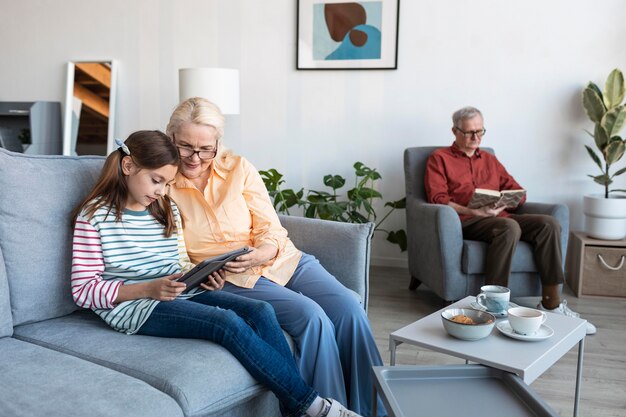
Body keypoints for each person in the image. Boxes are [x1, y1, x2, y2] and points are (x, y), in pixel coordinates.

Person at [70, 130, 361, 417]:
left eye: (167, 183)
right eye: (156, 181)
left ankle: (293, 409)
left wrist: (203, 276)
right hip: (138, 306)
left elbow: (179, 261)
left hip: (180, 291)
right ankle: (315, 407)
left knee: (261, 311)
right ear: (128, 166)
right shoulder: (94, 216)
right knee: (226, 323)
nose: (160, 190)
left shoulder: (164, 207)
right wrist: (148, 289)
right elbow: (83, 290)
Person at [165, 97, 386, 417]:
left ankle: (374, 410)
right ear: (170, 137)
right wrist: (199, 274)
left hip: (278, 256)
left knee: (349, 308)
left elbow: (270, 226)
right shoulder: (163, 183)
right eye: (185, 146)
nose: (195, 158)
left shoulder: (238, 168)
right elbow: (171, 252)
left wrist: (264, 251)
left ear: (218, 143)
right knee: (312, 318)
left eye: (205, 148)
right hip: (229, 276)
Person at [424, 106, 596, 335]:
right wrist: (473, 211)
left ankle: (551, 303)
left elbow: (517, 190)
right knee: (509, 226)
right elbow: (438, 198)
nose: (476, 137)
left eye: (480, 131)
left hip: (498, 217)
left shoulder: (489, 159)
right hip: (464, 221)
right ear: (454, 131)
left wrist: (502, 203)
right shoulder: (439, 158)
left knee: (549, 224)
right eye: (469, 132)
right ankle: (494, 307)